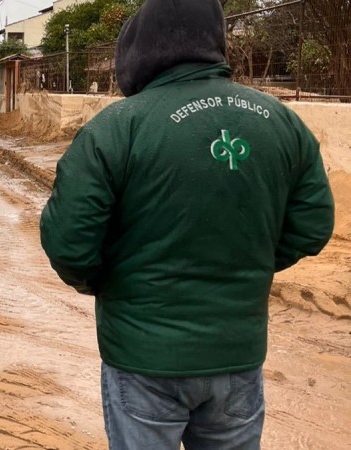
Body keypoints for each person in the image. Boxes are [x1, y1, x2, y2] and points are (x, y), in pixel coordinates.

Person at [39, 0, 334, 449]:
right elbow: (312, 226)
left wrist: (114, 284)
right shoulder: (282, 123)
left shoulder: (115, 129)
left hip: (142, 359)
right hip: (237, 355)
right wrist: (247, 263)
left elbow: (69, 244)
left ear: (139, 49)